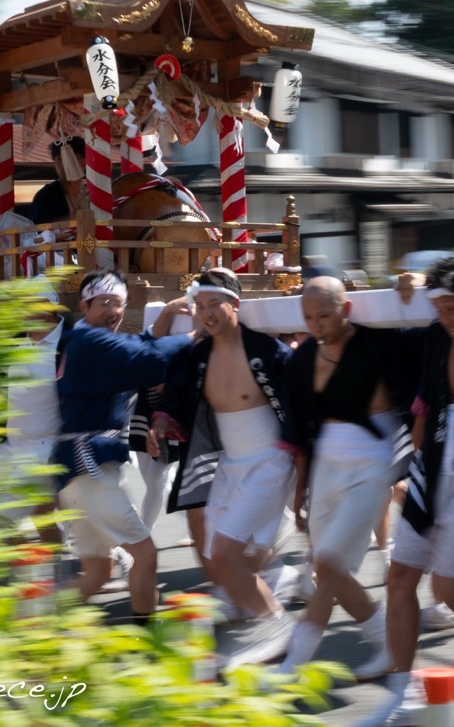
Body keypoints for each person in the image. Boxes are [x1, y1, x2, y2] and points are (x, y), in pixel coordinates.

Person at [358, 255, 454, 726]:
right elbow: (424, 404)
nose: (445, 318)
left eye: (453, 308)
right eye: (438, 308)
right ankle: (402, 694)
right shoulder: (438, 339)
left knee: (449, 587)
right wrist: (413, 465)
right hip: (434, 465)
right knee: (399, 577)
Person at [274, 276, 422, 680]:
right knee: (328, 571)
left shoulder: (380, 342)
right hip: (326, 461)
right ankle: (387, 643)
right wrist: (300, 489)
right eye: (309, 318)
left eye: (324, 315)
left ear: (347, 309)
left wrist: (421, 283)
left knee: (329, 563)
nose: (316, 324)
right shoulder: (304, 357)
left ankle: (293, 665)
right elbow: (298, 427)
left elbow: (428, 330)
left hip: (372, 461)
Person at [151, 268, 295, 666]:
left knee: (228, 557)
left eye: (214, 303)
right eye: (200, 306)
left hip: (270, 460)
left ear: (235, 305)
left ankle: (280, 628)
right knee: (219, 557)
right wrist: (161, 420)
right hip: (229, 463)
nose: (207, 313)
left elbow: (302, 400)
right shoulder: (195, 356)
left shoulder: (267, 351)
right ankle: (274, 582)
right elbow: (173, 396)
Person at [54, 269, 191, 624]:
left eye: (119, 304)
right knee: (146, 555)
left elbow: (139, 346)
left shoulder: (83, 340)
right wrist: (197, 335)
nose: (113, 311)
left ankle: (33, 625)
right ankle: (148, 635)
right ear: (84, 305)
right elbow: (147, 358)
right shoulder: (90, 342)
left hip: (77, 474)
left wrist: (166, 314)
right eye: (105, 303)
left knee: (97, 572)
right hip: (91, 471)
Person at [0, 277, 65, 547]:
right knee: (28, 519)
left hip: (45, 452)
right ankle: (51, 566)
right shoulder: (18, 342)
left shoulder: (68, 345)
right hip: (9, 450)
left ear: (46, 305)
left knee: (6, 522)